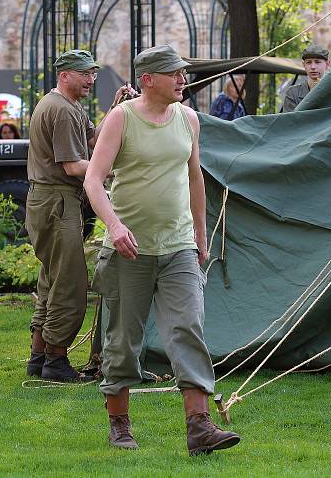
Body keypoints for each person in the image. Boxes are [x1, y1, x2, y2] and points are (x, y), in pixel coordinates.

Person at [85, 45, 241, 455]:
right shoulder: (121, 118)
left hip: (179, 247)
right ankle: (119, 424)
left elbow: (194, 180)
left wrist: (201, 237)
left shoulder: (189, 119)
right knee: (122, 339)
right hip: (128, 251)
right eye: (175, 74)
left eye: (183, 73)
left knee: (188, 327)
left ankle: (199, 427)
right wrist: (114, 226)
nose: (183, 80)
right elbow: (93, 181)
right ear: (148, 80)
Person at [25, 49, 136, 382]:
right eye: (84, 74)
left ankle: (39, 357)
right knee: (70, 285)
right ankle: (56, 362)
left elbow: (91, 140)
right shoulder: (60, 110)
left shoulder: (67, 106)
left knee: (52, 280)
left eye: (93, 74)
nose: (90, 80)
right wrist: (116, 170)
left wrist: (115, 109)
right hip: (57, 203)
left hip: (51, 202)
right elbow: (74, 166)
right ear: (65, 75)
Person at [281, 43, 330, 112]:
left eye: (317, 62)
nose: (313, 67)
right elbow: (289, 120)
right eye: (309, 62)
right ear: (304, 65)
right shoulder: (293, 93)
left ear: (327, 64)